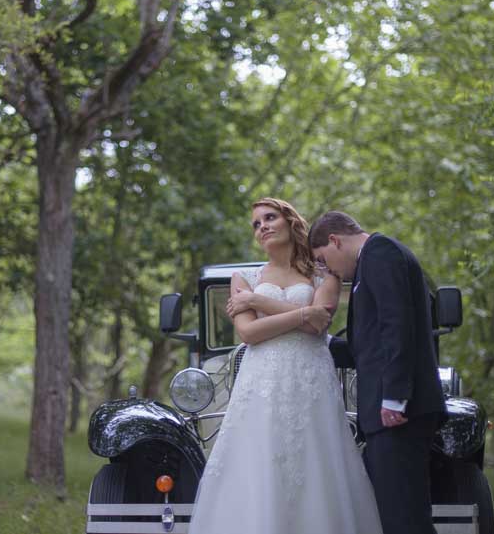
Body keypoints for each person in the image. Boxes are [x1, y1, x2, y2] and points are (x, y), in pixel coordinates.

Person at [188, 198, 383, 534]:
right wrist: (303, 313)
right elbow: (249, 333)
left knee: (317, 466)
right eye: (255, 223)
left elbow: (319, 325)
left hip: (311, 381)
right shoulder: (243, 277)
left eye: (269, 217)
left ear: (289, 221)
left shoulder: (324, 272)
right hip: (261, 381)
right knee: (258, 465)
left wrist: (258, 301)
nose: (262, 226)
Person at [309, 211, 446, 534]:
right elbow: (367, 348)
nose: (327, 269)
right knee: (397, 514)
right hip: (392, 414)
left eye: (322, 259)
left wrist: (395, 397)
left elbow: (397, 326)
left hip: (399, 413)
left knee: (405, 519)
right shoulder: (373, 261)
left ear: (334, 240)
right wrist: (318, 342)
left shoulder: (380, 253)